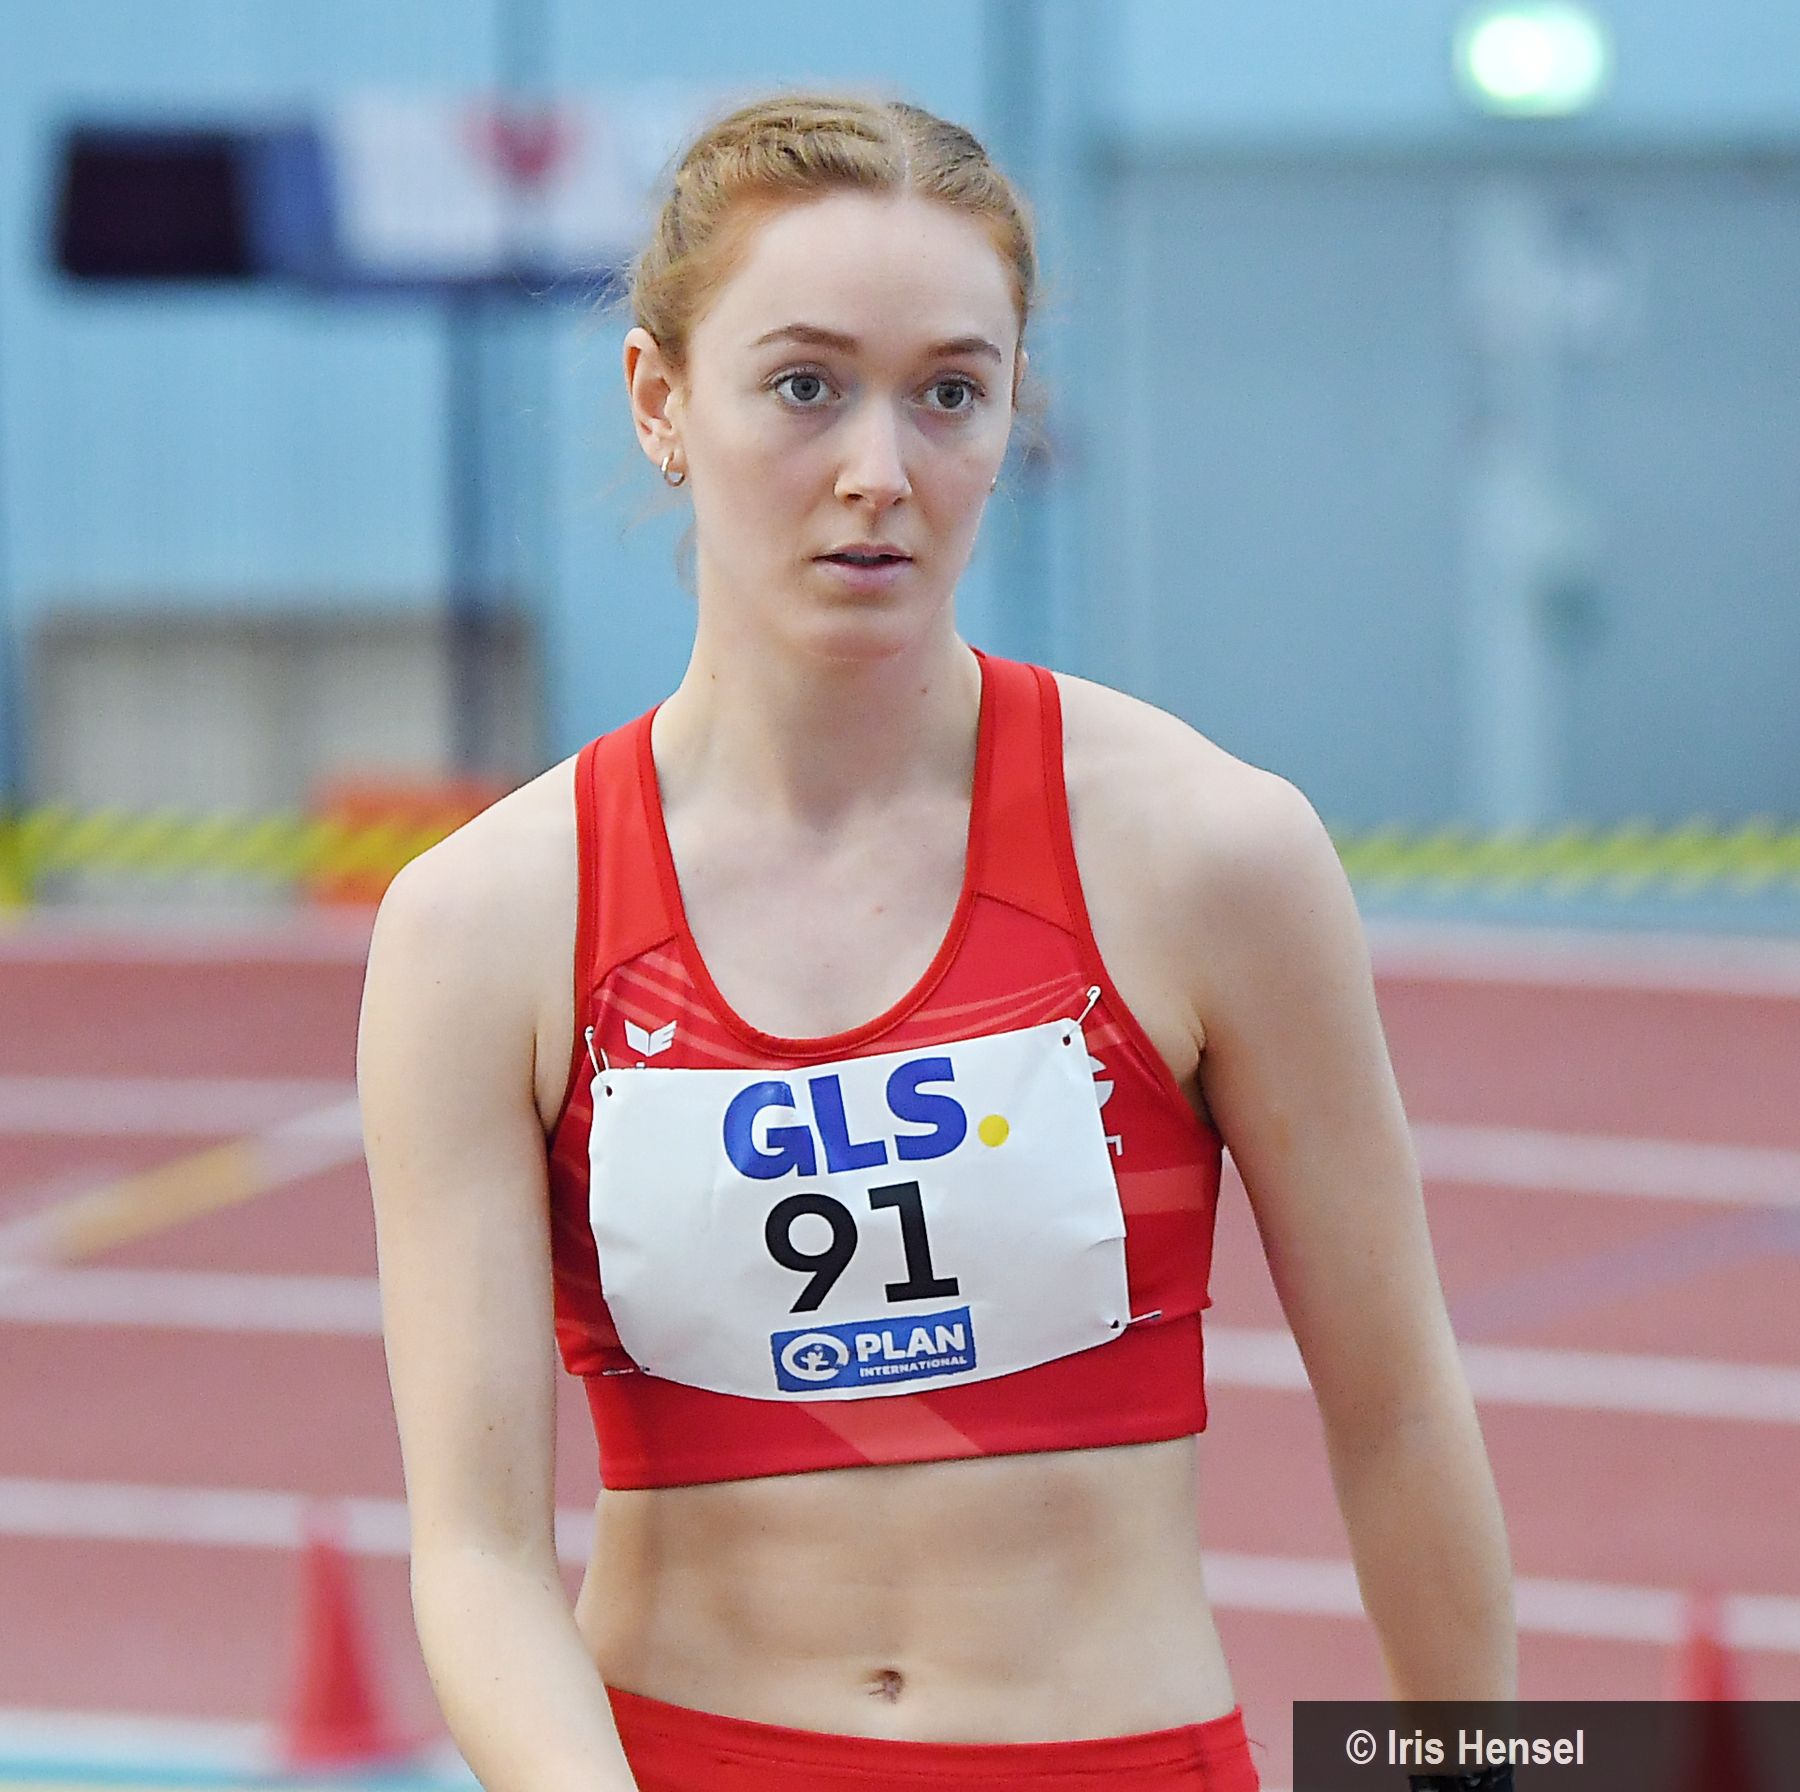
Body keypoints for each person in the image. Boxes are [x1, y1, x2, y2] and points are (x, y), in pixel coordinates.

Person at [357, 91, 1516, 1792]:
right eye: (805, 386)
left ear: (1013, 409)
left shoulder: (1211, 855)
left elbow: (1401, 1413)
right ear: (661, 400)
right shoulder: (486, 925)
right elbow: (474, 1554)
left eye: (951, 394)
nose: (879, 475)